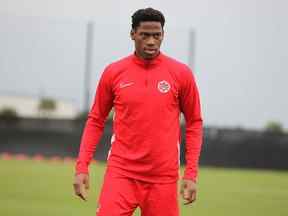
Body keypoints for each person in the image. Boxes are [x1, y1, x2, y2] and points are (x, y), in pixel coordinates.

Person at [73, 7, 203, 216]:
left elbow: (194, 122)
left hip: (163, 178)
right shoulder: (114, 72)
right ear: (133, 34)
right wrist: (81, 167)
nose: (151, 41)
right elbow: (96, 120)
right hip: (121, 173)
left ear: (163, 35)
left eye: (157, 35)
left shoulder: (181, 74)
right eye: (145, 35)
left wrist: (191, 174)